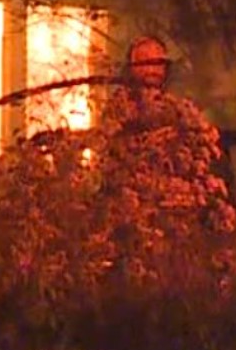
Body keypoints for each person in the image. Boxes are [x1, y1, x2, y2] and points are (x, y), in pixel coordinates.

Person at [95, 35, 227, 224]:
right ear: (133, 68)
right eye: (146, 63)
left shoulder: (178, 110)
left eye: (158, 64)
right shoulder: (120, 108)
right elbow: (114, 160)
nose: (153, 70)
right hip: (132, 212)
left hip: (175, 211)